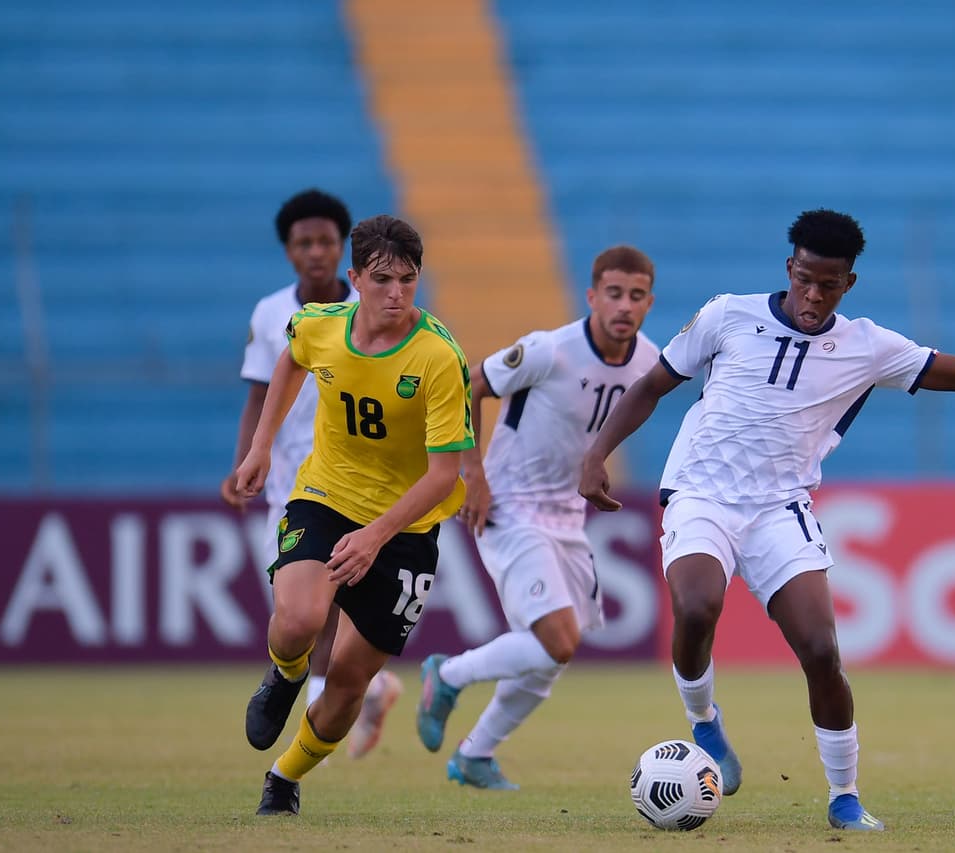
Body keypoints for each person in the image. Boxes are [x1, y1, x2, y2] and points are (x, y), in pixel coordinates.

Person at [579, 209, 955, 832]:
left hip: (780, 510)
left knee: (822, 651)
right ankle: (705, 723)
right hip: (702, 494)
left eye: (828, 285)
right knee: (694, 608)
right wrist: (596, 453)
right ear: (788, 268)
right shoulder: (726, 315)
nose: (812, 295)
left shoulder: (867, 345)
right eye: (803, 279)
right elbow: (650, 386)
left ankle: (844, 795)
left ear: (848, 284)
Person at [235, 214, 474, 816]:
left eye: (409, 280)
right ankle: (284, 676)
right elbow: (290, 359)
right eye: (383, 279)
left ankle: (284, 778)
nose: (396, 294)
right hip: (325, 496)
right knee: (297, 619)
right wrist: (262, 446)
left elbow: (446, 474)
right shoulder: (320, 325)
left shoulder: (439, 357)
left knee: (346, 686)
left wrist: (376, 535)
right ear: (355, 279)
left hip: (406, 529)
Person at [414, 246, 660, 790]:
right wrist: (471, 475)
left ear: (648, 302)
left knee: (550, 657)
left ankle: (475, 755)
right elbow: (468, 384)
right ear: (592, 296)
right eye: (613, 293)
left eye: (636, 295)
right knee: (558, 639)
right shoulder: (549, 350)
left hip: (568, 517)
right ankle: (447, 675)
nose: (624, 305)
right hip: (509, 505)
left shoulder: (649, 361)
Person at [221, 189, 401, 761]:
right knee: (298, 611)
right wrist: (250, 454)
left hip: (355, 477)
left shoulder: (375, 306)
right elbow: (259, 391)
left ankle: (327, 699)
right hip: (289, 481)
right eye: (305, 243)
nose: (316, 252)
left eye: (326, 241)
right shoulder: (272, 314)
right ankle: (346, 694)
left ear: (342, 252)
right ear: (289, 252)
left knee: (327, 602)